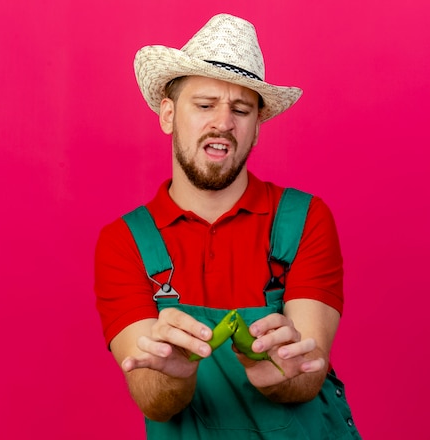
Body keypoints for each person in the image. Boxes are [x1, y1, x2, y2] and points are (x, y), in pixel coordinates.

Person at [95, 13, 361, 439]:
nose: (222, 122)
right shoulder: (125, 242)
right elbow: (150, 395)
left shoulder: (305, 219)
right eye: (204, 105)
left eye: (241, 109)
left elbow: (307, 374)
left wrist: (281, 369)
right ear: (168, 114)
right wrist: (172, 375)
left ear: (256, 128)